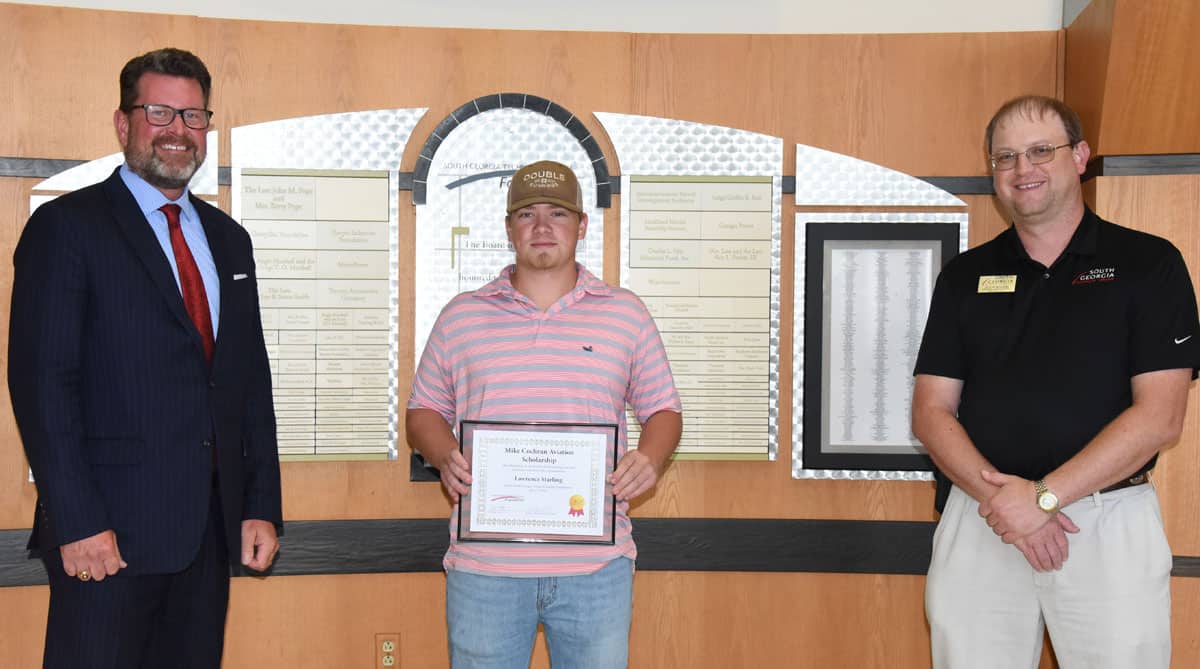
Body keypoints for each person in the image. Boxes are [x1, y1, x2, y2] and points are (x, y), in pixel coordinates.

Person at [8, 48, 282, 668]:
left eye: (192, 116)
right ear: (123, 122)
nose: (177, 131)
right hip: (106, 540)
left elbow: (248, 384)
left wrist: (260, 504)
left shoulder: (228, 240)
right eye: (159, 112)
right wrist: (76, 521)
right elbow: (42, 384)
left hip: (206, 538)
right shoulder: (67, 228)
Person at [912, 94, 1200, 668]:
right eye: (1006, 157)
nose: (1024, 169)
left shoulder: (1149, 263)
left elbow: (1161, 418)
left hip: (1105, 522)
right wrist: (1008, 503)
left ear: (1081, 157)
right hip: (984, 518)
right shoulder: (965, 276)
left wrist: (1044, 498)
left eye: (1042, 150)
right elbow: (930, 411)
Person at [407, 159, 682, 668]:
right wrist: (444, 455)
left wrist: (651, 456)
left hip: (596, 569)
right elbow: (423, 409)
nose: (541, 226)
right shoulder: (462, 315)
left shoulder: (625, 313)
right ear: (509, 227)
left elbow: (664, 408)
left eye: (557, 213)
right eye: (527, 214)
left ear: (581, 225)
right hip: (485, 568)